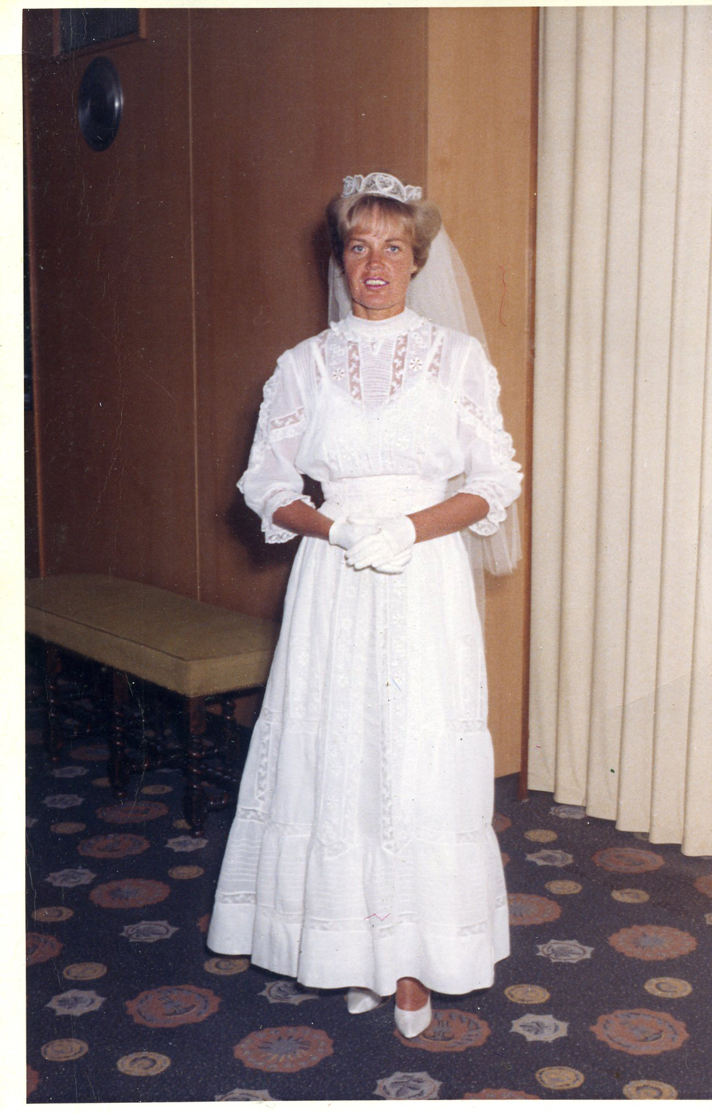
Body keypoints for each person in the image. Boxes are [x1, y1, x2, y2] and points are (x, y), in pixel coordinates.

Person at [207, 172, 522, 1039]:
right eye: (358, 245)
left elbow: (495, 478)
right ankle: (354, 950)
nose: (374, 263)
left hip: (422, 580)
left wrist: (410, 529)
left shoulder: (455, 358)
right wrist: (334, 528)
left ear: (418, 260)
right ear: (339, 259)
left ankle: (416, 963)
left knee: (415, 761)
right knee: (341, 758)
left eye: (393, 246)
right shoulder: (301, 366)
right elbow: (266, 481)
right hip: (334, 578)